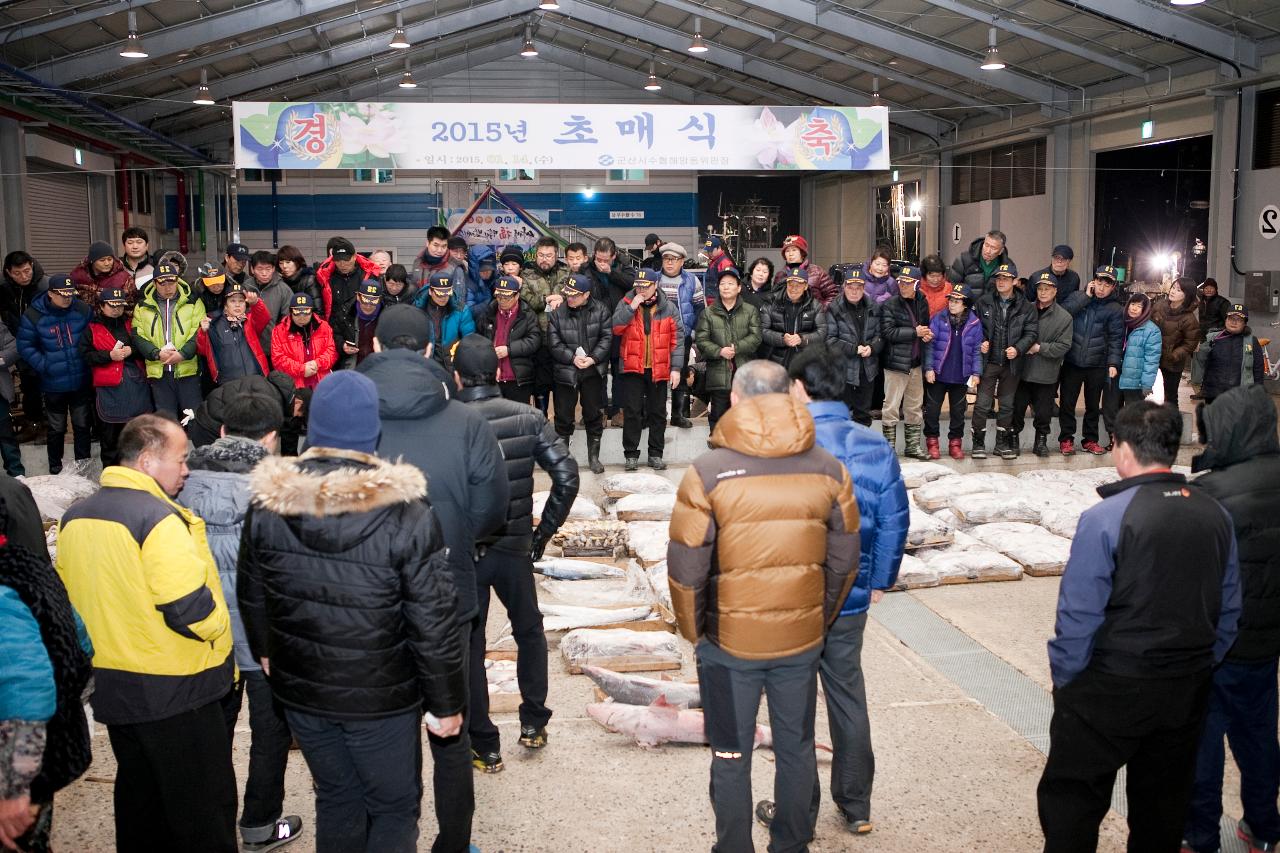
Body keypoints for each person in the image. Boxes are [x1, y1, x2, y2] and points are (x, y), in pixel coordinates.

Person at [239, 372, 465, 853]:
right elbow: (433, 620)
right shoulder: (407, 513)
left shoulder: (268, 504)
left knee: (337, 797)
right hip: (381, 699)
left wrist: (265, 652)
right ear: (373, 432)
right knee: (393, 806)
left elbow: (252, 591)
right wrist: (446, 702)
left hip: (302, 689)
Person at [668, 359, 861, 853]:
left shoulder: (708, 471)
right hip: (799, 644)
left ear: (734, 400)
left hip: (728, 649)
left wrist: (699, 634)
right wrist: (817, 619)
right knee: (796, 750)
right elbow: (844, 563)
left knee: (730, 755)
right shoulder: (828, 469)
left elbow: (687, 569)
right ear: (792, 398)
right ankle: (790, 845)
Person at [1038, 401, 1240, 852]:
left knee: (1073, 801)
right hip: (1184, 686)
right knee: (1163, 809)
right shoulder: (1213, 513)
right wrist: (1202, 663)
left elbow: (1078, 615)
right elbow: (1229, 607)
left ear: (1123, 449)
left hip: (1109, 684)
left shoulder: (1106, 518)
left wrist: (1067, 680)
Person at [357, 305, 507, 852]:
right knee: (451, 722)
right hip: (447, 590)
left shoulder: (346, 423)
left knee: (386, 726)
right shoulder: (466, 422)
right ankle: (454, 842)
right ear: (429, 351)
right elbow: (493, 510)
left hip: (369, 597)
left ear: (374, 349)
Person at [57, 414, 238, 852]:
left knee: (141, 800)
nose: (187, 469)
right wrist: (221, 631)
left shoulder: (76, 517)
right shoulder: (157, 518)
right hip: (177, 689)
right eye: (180, 459)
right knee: (203, 809)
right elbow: (188, 608)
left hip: (115, 683)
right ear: (147, 462)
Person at [768, 347, 908, 837]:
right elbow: (893, 518)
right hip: (851, 596)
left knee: (794, 704)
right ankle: (857, 804)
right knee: (847, 694)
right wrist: (878, 581)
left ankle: (797, 813)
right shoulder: (874, 446)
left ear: (800, 388)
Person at [176, 393, 303, 852]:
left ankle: (210, 824)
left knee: (212, 730)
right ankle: (260, 824)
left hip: (204, 631)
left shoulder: (181, 481)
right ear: (272, 439)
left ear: (223, 432)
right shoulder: (284, 488)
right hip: (264, 633)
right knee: (270, 731)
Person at [451, 335, 579, 773]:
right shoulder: (528, 417)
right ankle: (533, 724)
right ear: (499, 372)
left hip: (464, 551)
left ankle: (484, 743)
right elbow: (567, 475)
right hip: (514, 546)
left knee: (471, 642)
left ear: (457, 376)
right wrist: (544, 531)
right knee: (528, 631)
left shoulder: (445, 420)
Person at [1183, 385, 1280, 853]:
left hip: (1213, 642)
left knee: (1202, 741)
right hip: (1264, 645)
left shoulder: (1207, 492)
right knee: (1259, 735)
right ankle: (1263, 826)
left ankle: (1199, 835)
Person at [0, 495, 93, 853]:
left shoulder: (5, 588)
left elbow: (26, 691)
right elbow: (81, 640)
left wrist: (15, 788)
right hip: (44, 758)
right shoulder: (30, 565)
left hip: (17, 771)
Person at [16, 275, 92, 474]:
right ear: (50, 294)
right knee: (56, 428)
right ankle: (55, 469)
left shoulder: (82, 310)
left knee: (82, 425)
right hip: (52, 384)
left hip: (81, 379)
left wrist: (89, 361)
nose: (67, 299)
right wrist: (45, 365)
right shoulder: (34, 315)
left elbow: (94, 336)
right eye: (62, 295)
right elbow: (24, 346)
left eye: (70, 294)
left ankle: (83, 469)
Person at [612, 267, 684, 471]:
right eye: (638, 286)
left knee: (658, 412)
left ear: (656, 286)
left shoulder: (668, 308)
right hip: (633, 368)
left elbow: (677, 341)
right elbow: (615, 327)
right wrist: (631, 307)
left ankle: (655, 454)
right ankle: (631, 454)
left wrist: (676, 368)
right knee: (632, 411)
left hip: (658, 368)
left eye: (646, 286)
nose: (641, 290)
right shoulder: (626, 302)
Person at [971, 262, 1038, 460]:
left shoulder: (1026, 307)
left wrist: (1018, 349)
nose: (1001, 282)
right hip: (989, 362)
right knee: (982, 404)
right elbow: (973, 327)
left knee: (1007, 405)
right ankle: (978, 443)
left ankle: (1001, 443)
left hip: (1012, 364)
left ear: (1014, 281)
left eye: (1006, 279)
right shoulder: (983, 302)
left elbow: (1031, 332)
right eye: (999, 278)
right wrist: (981, 341)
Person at [81, 286, 152, 467]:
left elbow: (146, 347)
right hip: (109, 390)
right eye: (111, 305)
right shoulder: (92, 328)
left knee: (138, 439)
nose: (116, 309)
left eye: (119, 305)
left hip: (136, 388)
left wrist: (133, 350)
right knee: (110, 441)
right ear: (102, 306)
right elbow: (85, 356)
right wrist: (108, 356)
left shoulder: (132, 324)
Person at [547, 274, 611, 473]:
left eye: (575, 295)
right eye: (568, 294)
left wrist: (593, 358)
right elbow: (553, 342)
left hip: (592, 371)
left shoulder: (600, 310)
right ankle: (562, 460)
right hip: (566, 372)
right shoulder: (558, 313)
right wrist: (571, 358)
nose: (570, 299)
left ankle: (594, 458)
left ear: (586, 295)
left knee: (593, 414)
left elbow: (607, 337)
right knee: (563, 417)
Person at [1057, 265, 1124, 456]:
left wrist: (1112, 363)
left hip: (1097, 364)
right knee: (1067, 403)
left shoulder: (1115, 309)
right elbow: (1062, 314)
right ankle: (1066, 439)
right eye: (1100, 282)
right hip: (1072, 361)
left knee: (1093, 405)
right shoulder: (1079, 297)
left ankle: (1090, 440)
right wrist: (1085, 297)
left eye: (1107, 285)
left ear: (1113, 287)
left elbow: (1115, 338)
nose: (1102, 288)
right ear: (1093, 281)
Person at [132, 262, 206, 422]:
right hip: (159, 372)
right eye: (162, 283)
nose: (168, 287)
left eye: (171, 282)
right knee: (166, 422)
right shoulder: (142, 306)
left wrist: (183, 354)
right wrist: (156, 353)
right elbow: (138, 334)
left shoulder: (193, 302)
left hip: (188, 370)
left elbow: (199, 332)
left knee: (194, 418)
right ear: (154, 283)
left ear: (178, 280)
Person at [1010, 272, 1073, 457]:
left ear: (1055, 291)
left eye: (1047, 289)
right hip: (1022, 371)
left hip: (1046, 373)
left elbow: (1064, 345)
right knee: (1017, 408)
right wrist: (1022, 346)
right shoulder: (1025, 309)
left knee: (1043, 412)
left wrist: (1039, 348)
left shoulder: (1064, 317)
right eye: (1040, 288)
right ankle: (1013, 440)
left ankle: (1041, 442)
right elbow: (1013, 333)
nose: (1043, 292)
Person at [694, 267, 761, 435]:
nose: (726, 287)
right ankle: (719, 453)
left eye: (730, 283)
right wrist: (719, 351)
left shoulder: (750, 311)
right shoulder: (708, 313)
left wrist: (737, 348)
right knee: (718, 415)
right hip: (718, 372)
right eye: (722, 283)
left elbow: (756, 337)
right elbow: (702, 340)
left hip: (743, 371)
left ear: (739, 288)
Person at [878, 264, 933, 459]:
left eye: (908, 282)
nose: (903, 285)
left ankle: (912, 447)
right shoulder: (890, 304)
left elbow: (924, 326)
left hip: (916, 362)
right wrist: (915, 332)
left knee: (914, 406)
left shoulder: (922, 301)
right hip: (895, 364)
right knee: (891, 406)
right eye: (901, 281)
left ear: (917, 284)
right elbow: (887, 332)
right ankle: (888, 449)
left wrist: (925, 334)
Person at [924, 283, 983, 461]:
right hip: (939, 374)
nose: (952, 304)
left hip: (960, 376)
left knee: (958, 412)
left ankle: (955, 443)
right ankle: (932, 442)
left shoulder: (974, 323)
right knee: (933, 410)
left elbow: (977, 350)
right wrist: (929, 368)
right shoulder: (938, 319)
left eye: (957, 301)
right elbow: (930, 346)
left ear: (965, 304)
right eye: (951, 300)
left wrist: (976, 373)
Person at [822, 266, 881, 427]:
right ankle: (841, 449)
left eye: (858, 287)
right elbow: (830, 340)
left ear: (864, 288)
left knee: (863, 415)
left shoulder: (873, 307)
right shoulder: (834, 308)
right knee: (840, 414)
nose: (854, 291)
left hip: (867, 370)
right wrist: (854, 349)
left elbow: (881, 335)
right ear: (844, 287)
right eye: (850, 287)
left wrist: (872, 347)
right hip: (843, 370)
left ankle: (860, 448)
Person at [654, 243, 703, 429]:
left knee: (680, 377)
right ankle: (657, 415)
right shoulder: (655, 280)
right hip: (657, 337)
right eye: (666, 259)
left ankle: (678, 414)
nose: (669, 263)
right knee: (656, 378)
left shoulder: (692, 281)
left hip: (682, 338)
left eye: (673, 259)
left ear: (682, 261)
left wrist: (693, 333)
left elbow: (700, 309)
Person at [474, 274, 541, 404]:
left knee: (519, 420)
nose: (502, 300)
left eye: (507, 297)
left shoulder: (527, 314)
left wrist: (509, 349)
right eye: (499, 296)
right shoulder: (488, 313)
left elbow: (534, 340)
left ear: (517, 296)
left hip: (518, 379)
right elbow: (479, 339)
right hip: (493, 378)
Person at [197, 280, 271, 385]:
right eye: (232, 301)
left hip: (256, 378)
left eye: (241, 301)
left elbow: (264, 317)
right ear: (225, 306)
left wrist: (256, 303)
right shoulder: (215, 324)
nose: (237, 305)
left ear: (245, 305)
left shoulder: (250, 321)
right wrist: (203, 332)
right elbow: (203, 350)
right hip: (229, 383)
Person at [1193, 302, 1264, 405]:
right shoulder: (1213, 338)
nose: (1233, 322)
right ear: (1225, 320)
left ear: (1245, 323)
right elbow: (1200, 360)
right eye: (1231, 318)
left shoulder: (1251, 341)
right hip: (1213, 393)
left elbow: (1258, 369)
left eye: (1238, 320)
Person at [1149, 277, 1199, 408]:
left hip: (1172, 362)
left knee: (1170, 396)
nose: (1173, 291)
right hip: (1152, 355)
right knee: (1140, 388)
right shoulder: (1159, 305)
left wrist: (1174, 355)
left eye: (1178, 290)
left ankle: (1171, 424)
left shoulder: (1189, 318)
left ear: (1187, 295)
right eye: (1173, 288)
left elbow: (1190, 343)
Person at [271, 293, 336, 391]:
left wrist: (317, 364)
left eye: (306, 311)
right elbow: (278, 360)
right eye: (297, 312)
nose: (302, 316)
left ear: (312, 311)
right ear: (291, 312)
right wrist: (302, 369)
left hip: (321, 382)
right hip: (294, 385)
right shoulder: (279, 331)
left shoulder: (324, 327)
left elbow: (332, 352)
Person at [762, 270, 825, 371]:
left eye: (798, 285)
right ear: (786, 284)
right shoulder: (772, 302)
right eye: (791, 284)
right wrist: (782, 339)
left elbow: (822, 332)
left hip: (804, 361)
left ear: (805, 287)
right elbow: (763, 330)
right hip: (775, 360)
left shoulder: (815, 305)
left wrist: (802, 339)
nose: (794, 289)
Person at [413, 273, 477, 358]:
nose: (444, 298)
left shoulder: (460, 310)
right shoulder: (417, 309)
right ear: (430, 292)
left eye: (447, 294)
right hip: (425, 359)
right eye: (440, 294)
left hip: (451, 361)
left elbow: (469, 337)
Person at [316, 237, 378, 324]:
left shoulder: (370, 275)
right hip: (335, 331)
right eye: (338, 260)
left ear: (354, 256)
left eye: (346, 259)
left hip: (362, 328)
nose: (342, 264)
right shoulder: (325, 276)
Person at [1118, 293, 1162, 405]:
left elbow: (1152, 360)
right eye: (1132, 304)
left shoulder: (1152, 330)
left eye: (1139, 306)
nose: (1134, 308)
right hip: (1117, 377)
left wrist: (1147, 384)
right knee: (1113, 413)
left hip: (1135, 383)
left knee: (1133, 416)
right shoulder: (1122, 323)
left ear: (1145, 310)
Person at [330, 279, 384, 369]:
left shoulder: (386, 316)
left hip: (377, 368)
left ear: (379, 299)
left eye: (373, 301)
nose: (368, 305)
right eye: (365, 299)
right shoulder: (345, 313)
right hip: (351, 367)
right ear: (358, 296)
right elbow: (334, 335)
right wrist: (342, 345)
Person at [947, 229, 1012, 303]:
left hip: (992, 310)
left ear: (1001, 251)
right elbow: (952, 285)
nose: (988, 251)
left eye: (993, 248)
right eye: (986, 245)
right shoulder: (964, 259)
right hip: (967, 309)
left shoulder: (1007, 265)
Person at [773, 234, 836, 306]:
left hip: (814, 315)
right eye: (787, 251)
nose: (791, 254)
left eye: (794, 250)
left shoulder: (817, 272)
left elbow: (833, 295)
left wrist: (820, 311)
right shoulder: (780, 275)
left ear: (802, 253)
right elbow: (775, 298)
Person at [71, 239, 133, 309]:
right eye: (102, 260)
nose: (107, 263)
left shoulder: (124, 278)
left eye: (110, 259)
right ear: (92, 261)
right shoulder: (78, 275)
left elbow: (130, 306)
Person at [247, 251, 293, 334]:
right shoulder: (245, 287)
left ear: (273, 269)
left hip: (273, 341)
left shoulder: (284, 289)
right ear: (252, 269)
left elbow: (288, 319)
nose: (264, 273)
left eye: (268, 269)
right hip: (249, 342)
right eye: (260, 269)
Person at [1198, 278, 1231, 342]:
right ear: (1203, 289)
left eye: (1211, 288)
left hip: (1215, 335)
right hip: (1201, 335)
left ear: (1216, 289)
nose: (1209, 290)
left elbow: (1227, 320)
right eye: (1206, 288)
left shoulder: (1223, 302)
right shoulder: (1200, 301)